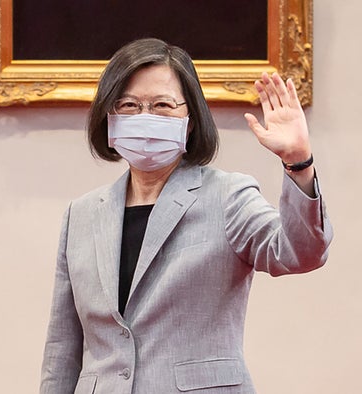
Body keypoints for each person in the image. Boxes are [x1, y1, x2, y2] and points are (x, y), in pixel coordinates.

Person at [40, 38, 332, 393]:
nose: (144, 117)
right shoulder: (81, 215)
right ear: (109, 117)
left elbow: (301, 252)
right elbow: (62, 349)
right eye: (128, 105)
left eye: (162, 104)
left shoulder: (228, 197)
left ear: (190, 120)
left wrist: (299, 162)